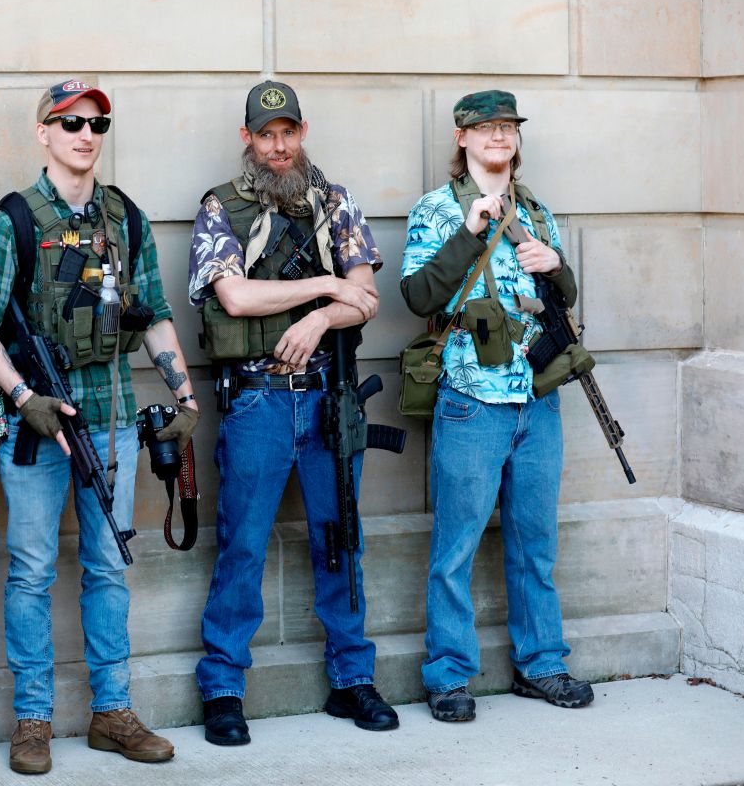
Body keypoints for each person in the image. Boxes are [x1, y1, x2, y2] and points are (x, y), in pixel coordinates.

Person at [0, 79, 197, 775]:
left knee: (108, 569)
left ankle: (112, 712)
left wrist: (184, 396)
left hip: (115, 420)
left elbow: (152, 311)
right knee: (31, 573)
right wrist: (22, 395)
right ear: (44, 133)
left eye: (97, 123)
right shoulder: (15, 220)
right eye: (69, 123)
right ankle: (32, 720)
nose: (85, 135)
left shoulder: (125, 218)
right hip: (38, 431)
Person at [188, 80, 397, 746]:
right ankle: (223, 686)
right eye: (265, 133)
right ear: (247, 138)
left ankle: (351, 679)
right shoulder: (221, 205)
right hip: (258, 400)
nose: (278, 145)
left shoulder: (334, 201)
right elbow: (236, 297)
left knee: (341, 540)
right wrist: (327, 286)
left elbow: (367, 300)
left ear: (303, 132)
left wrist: (316, 320)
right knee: (242, 543)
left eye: (289, 132)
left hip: (331, 396)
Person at [400, 90, 595, 722]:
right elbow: (417, 293)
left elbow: (565, 297)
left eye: (507, 127)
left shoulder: (535, 209)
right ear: (461, 138)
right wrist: (470, 232)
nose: (498, 137)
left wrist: (556, 264)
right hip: (471, 401)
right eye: (485, 128)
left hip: (536, 401)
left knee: (535, 544)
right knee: (454, 548)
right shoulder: (434, 210)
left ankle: (542, 664)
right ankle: (450, 675)